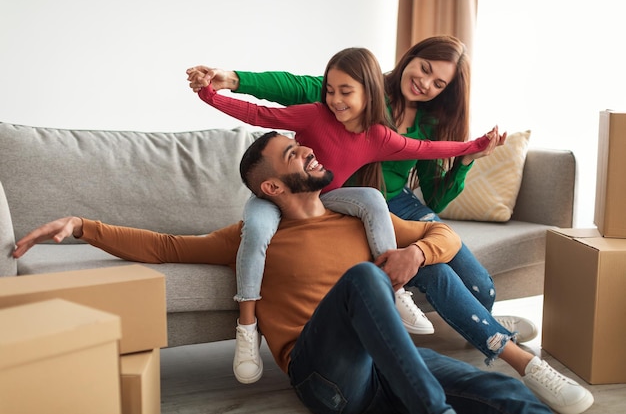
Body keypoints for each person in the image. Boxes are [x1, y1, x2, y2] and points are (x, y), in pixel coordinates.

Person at [13, 131, 560, 414]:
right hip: (329, 380)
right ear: (271, 188)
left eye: (301, 148)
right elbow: (163, 246)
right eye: (293, 156)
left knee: (507, 398)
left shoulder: (363, 218)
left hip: (400, 359)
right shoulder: (253, 238)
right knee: (364, 280)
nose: (307, 152)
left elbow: (446, 234)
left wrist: (416, 255)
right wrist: (82, 225)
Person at [188, 38, 533, 364]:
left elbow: (435, 185)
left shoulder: (419, 126)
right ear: (409, 57)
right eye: (424, 68)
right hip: (340, 200)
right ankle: (479, 329)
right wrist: (229, 82)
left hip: (397, 203)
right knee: (434, 271)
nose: (426, 83)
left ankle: (473, 319)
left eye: (439, 83)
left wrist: (468, 156)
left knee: (482, 288)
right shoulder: (354, 91)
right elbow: (291, 89)